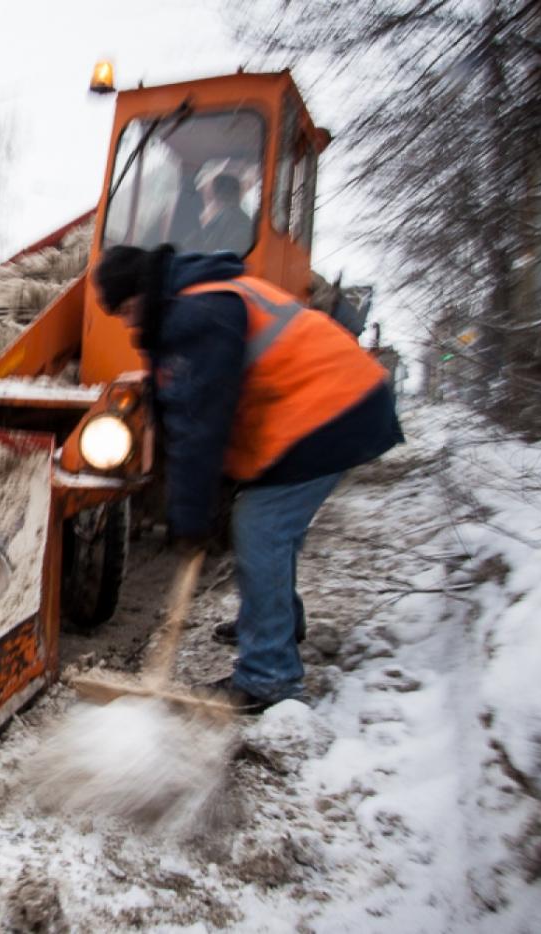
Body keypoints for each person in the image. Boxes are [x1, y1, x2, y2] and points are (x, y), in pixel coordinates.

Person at [93, 245, 403, 713]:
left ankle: (269, 676)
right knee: (267, 525)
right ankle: (273, 621)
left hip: (334, 410)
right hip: (326, 406)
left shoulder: (198, 313)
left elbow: (201, 426)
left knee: (262, 526)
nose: (131, 325)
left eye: (130, 310)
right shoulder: (197, 295)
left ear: (145, 291)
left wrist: (191, 517)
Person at [185, 173, 254, 254]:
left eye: (208, 197)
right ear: (238, 194)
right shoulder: (246, 222)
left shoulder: (221, 222)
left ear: (216, 196)